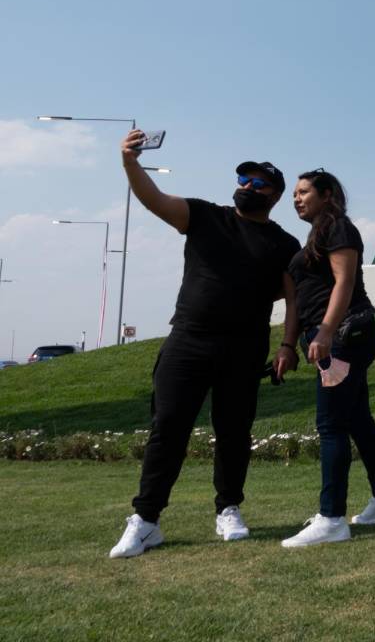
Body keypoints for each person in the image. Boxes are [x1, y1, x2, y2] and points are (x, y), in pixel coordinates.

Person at [109, 130, 301, 558]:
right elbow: (155, 200)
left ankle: (228, 508)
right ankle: (146, 520)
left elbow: (292, 298)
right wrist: (130, 163)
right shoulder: (203, 216)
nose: (247, 187)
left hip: (244, 348)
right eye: (243, 180)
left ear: (275, 195)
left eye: (258, 184)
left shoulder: (284, 244)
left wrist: (288, 346)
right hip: (188, 342)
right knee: (168, 429)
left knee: (233, 432)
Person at [281, 169, 375, 548]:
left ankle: (331, 518)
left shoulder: (338, 228)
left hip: (345, 334)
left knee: (331, 424)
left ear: (327, 194)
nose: (297, 198)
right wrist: (289, 344)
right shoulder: (317, 233)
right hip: (338, 336)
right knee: (357, 420)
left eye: (304, 192)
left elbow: (344, 282)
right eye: (295, 194)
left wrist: (326, 331)